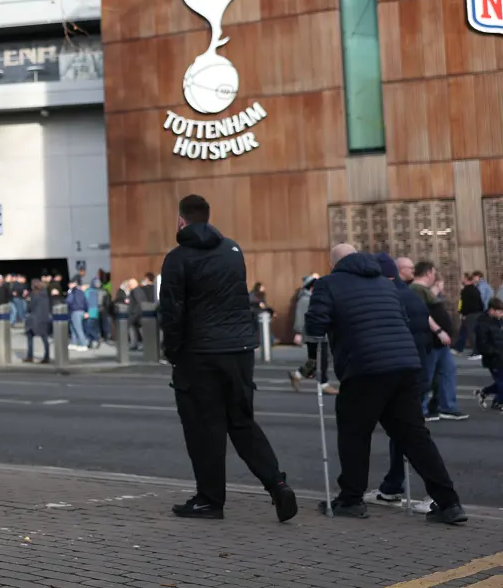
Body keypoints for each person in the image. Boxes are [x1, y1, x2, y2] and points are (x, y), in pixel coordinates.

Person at [306, 245, 466, 524]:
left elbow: (315, 325)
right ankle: (449, 502)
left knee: (354, 433)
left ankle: (351, 499)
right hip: (404, 364)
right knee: (414, 436)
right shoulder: (384, 282)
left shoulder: (328, 284)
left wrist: (313, 361)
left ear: (334, 263)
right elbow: (402, 319)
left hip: (364, 367)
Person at [160, 194, 295, 522]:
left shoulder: (177, 259)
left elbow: (172, 312)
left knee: (204, 429)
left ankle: (210, 499)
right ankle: (276, 484)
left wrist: (174, 353)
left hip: (200, 353)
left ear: (181, 221)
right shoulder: (233, 251)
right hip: (239, 352)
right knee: (242, 422)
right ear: (208, 217)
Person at [373, 253, 442, 508]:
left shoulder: (389, 297)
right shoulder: (411, 296)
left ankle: (435, 494)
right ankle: (393, 484)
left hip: (399, 372)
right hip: (415, 368)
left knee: (411, 433)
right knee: (405, 432)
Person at [411, 261, 467, 422]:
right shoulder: (416, 290)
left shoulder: (424, 291)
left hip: (438, 343)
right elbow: (422, 313)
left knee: (447, 372)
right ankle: (421, 409)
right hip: (431, 341)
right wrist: (439, 331)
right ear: (428, 273)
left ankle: (447, 406)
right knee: (427, 376)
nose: (434, 276)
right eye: (434, 273)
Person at [472, 296, 503, 410]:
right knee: (501, 381)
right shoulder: (483, 323)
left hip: (500, 355)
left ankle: (485, 392)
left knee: (501, 381)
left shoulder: (498, 321)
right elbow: (482, 344)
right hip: (493, 358)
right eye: (500, 312)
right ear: (492, 310)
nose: (502, 314)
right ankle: (499, 402)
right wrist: (496, 352)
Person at [457, 273, 484, 355]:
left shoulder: (466, 290)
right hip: (478, 313)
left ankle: (476, 352)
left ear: (466, 279)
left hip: (470, 314)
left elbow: (465, 304)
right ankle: (479, 350)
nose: (462, 280)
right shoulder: (476, 289)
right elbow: (480, 302)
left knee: (471, 333)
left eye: (463, 278)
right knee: (476, 332)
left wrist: (463, 313)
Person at [26, 279, 52, 363]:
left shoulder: (33, 295)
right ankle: (46, 356)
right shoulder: (45, 295)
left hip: (34, 319)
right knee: (45, 339)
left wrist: (28, 300)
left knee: (30, 337)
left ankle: (30, 356)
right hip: (44, 318)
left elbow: (30, 307)